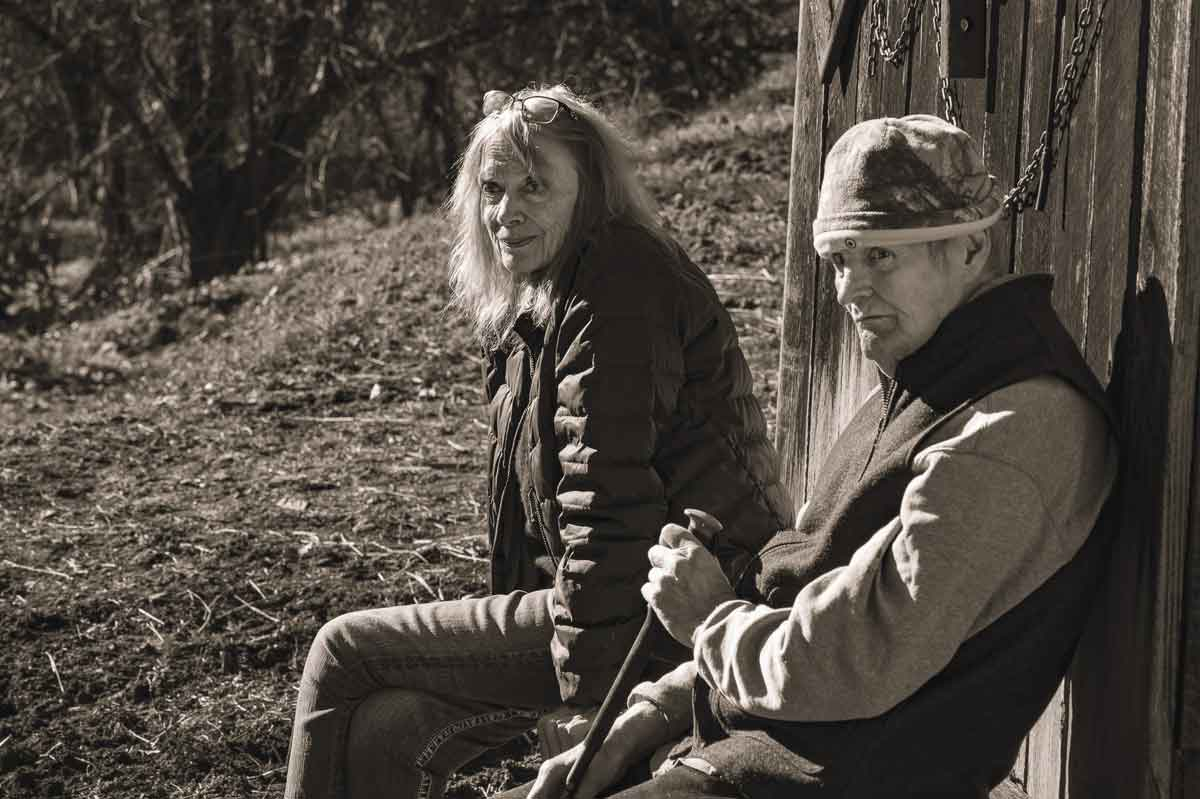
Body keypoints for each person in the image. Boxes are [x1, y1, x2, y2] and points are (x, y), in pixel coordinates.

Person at [499, 115, 1121, 799]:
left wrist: (711, 620)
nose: (851, 291)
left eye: (882, 256)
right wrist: (641, 719)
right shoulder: (926, 381)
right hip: (748, 750)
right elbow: (797, 595)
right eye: (838, 261)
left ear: (972, 249)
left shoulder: (1013, 426)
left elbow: (864, 654)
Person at [282, 85, 793, 799]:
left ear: (591, 188)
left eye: (534, 185)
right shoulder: (545, 294)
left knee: (341, 648)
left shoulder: (617, 279)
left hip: (672, 613)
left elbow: (607, 505)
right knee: (388, 728)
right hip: (602, 606)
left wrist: (592, 703)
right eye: (492, 188)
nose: (506, 210)